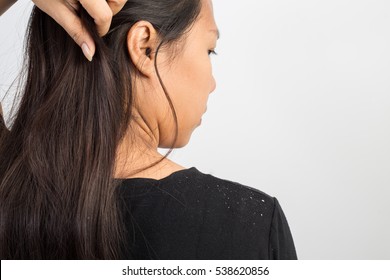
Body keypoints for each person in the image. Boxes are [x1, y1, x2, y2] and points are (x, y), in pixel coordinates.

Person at [0, 0, 297, 259]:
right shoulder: (249, 224)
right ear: (146, 46)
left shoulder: (8, 187)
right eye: (210, 51)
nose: (213, 83)